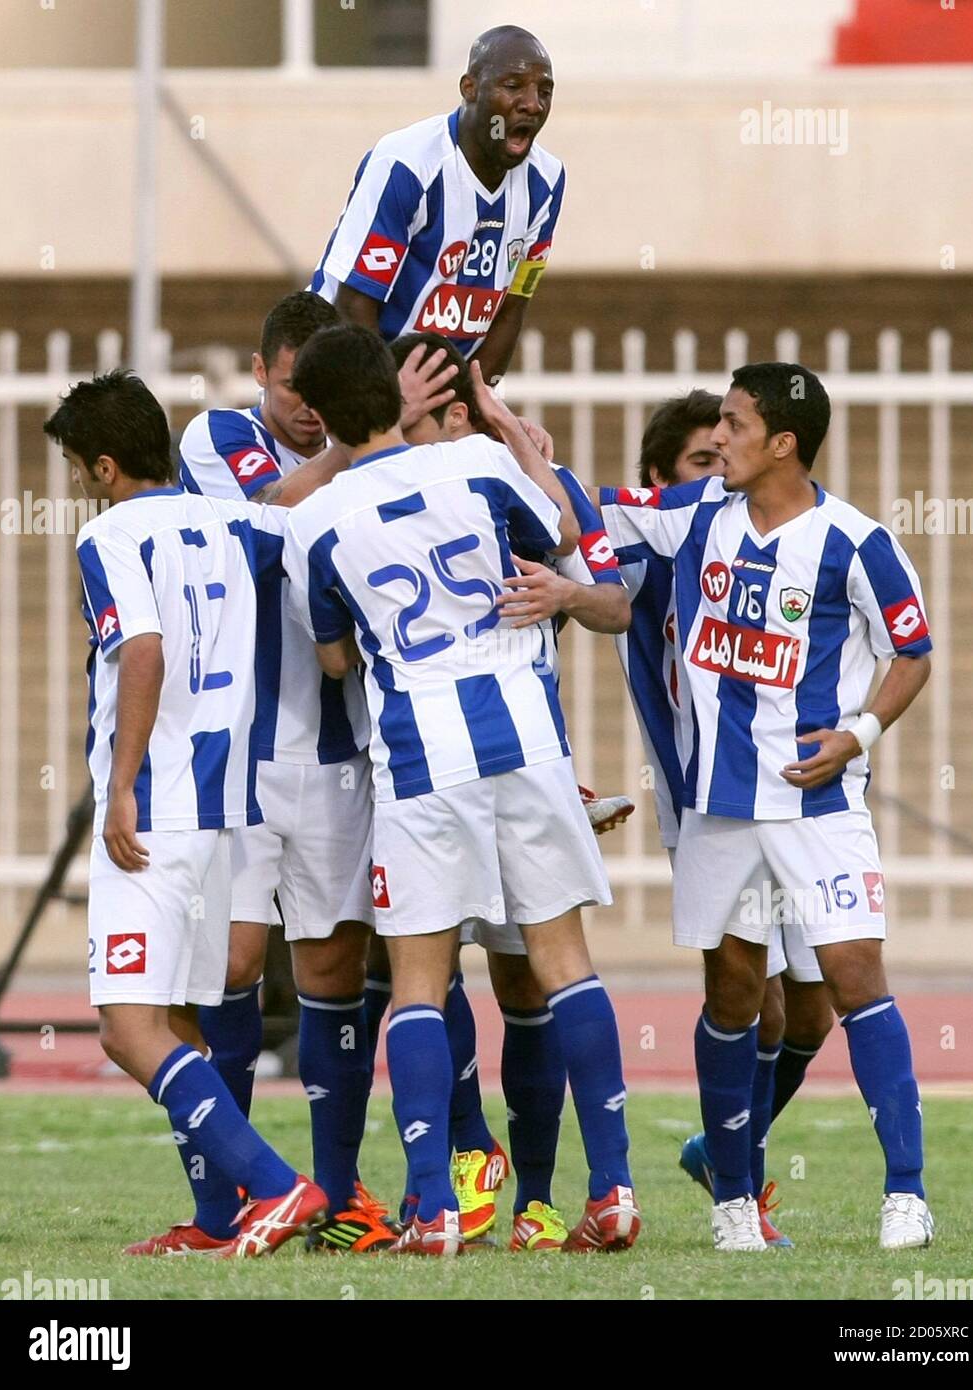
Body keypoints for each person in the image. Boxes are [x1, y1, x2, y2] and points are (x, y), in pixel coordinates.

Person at [284, 324, 640, 1256]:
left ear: (317, 415)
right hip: (526, 735)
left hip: (419, 757)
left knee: (416, 984)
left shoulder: (314, 521)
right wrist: (509, 432)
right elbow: (563, 532)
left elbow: (330, 660)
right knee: (565, 961)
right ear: (399, 392)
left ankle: (435, 1207)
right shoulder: (480, 464)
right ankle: (613, 1189)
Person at [599, 362, 934, 1252]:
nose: (722, 443)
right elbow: (582, 502)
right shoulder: (697, 515)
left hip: (817, 804)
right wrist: (504, 429)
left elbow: (913, 650)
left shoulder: (854, 542)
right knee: (735, 991)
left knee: (854, 975)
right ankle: (733, 1204)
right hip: (719, 807)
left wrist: (856, 735)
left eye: (737, 427)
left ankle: (907, 1193)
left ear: (782, 443)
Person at [47, 370, 331, 1258]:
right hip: (225, 812)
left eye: (71, 468)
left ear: (101, 467)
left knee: (127, 1028)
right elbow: (295, 507)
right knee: (182, 1022)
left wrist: (121, 783)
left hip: (157, 811)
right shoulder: (229, 520)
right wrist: (368, 429)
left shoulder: (110, 537)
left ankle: (282, 1189)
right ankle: (216, 1221)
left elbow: (143, 650)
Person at [387, 330, 630, 1250]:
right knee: (428, 966)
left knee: (522, 982)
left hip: (509, 762)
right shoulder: (467, 481)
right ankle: (468, 1151)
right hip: (448, 766)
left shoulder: (500, 480)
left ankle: (534, 1194)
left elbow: (608, 596)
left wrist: (564, 596)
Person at [178, 291, 409, 1251]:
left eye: (326, 395)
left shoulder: (360, 458)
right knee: (229, 965)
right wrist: (354, 445)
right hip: (239, 750)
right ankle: (222, 1205)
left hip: (337, 752)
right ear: (265, 369)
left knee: (333, 965)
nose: (310, 409)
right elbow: (271, 513)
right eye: (294, 389)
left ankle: (341, 1193)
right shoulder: (217, 435)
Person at [617, 391, 834, 1246]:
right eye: (701, 463)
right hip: (710, 800)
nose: (721, 475)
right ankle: (735, 1195)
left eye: (727, 455)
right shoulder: (649, 556)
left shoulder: (769, 540)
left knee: (811, 1012)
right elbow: (589, 578)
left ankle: (722, 1151)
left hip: (797, 797)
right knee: (753, 998)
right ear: (660, 482)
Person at [309, 25, 563, 382]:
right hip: (343, 378)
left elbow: (513, 305)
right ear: (469, 88)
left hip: (432, 401)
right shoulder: (408, 164)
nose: (533, 103)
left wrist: (470, 408)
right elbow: (354, 306)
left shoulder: (547, 182)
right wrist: (390, 418)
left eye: (545, 90)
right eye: (512, 85)